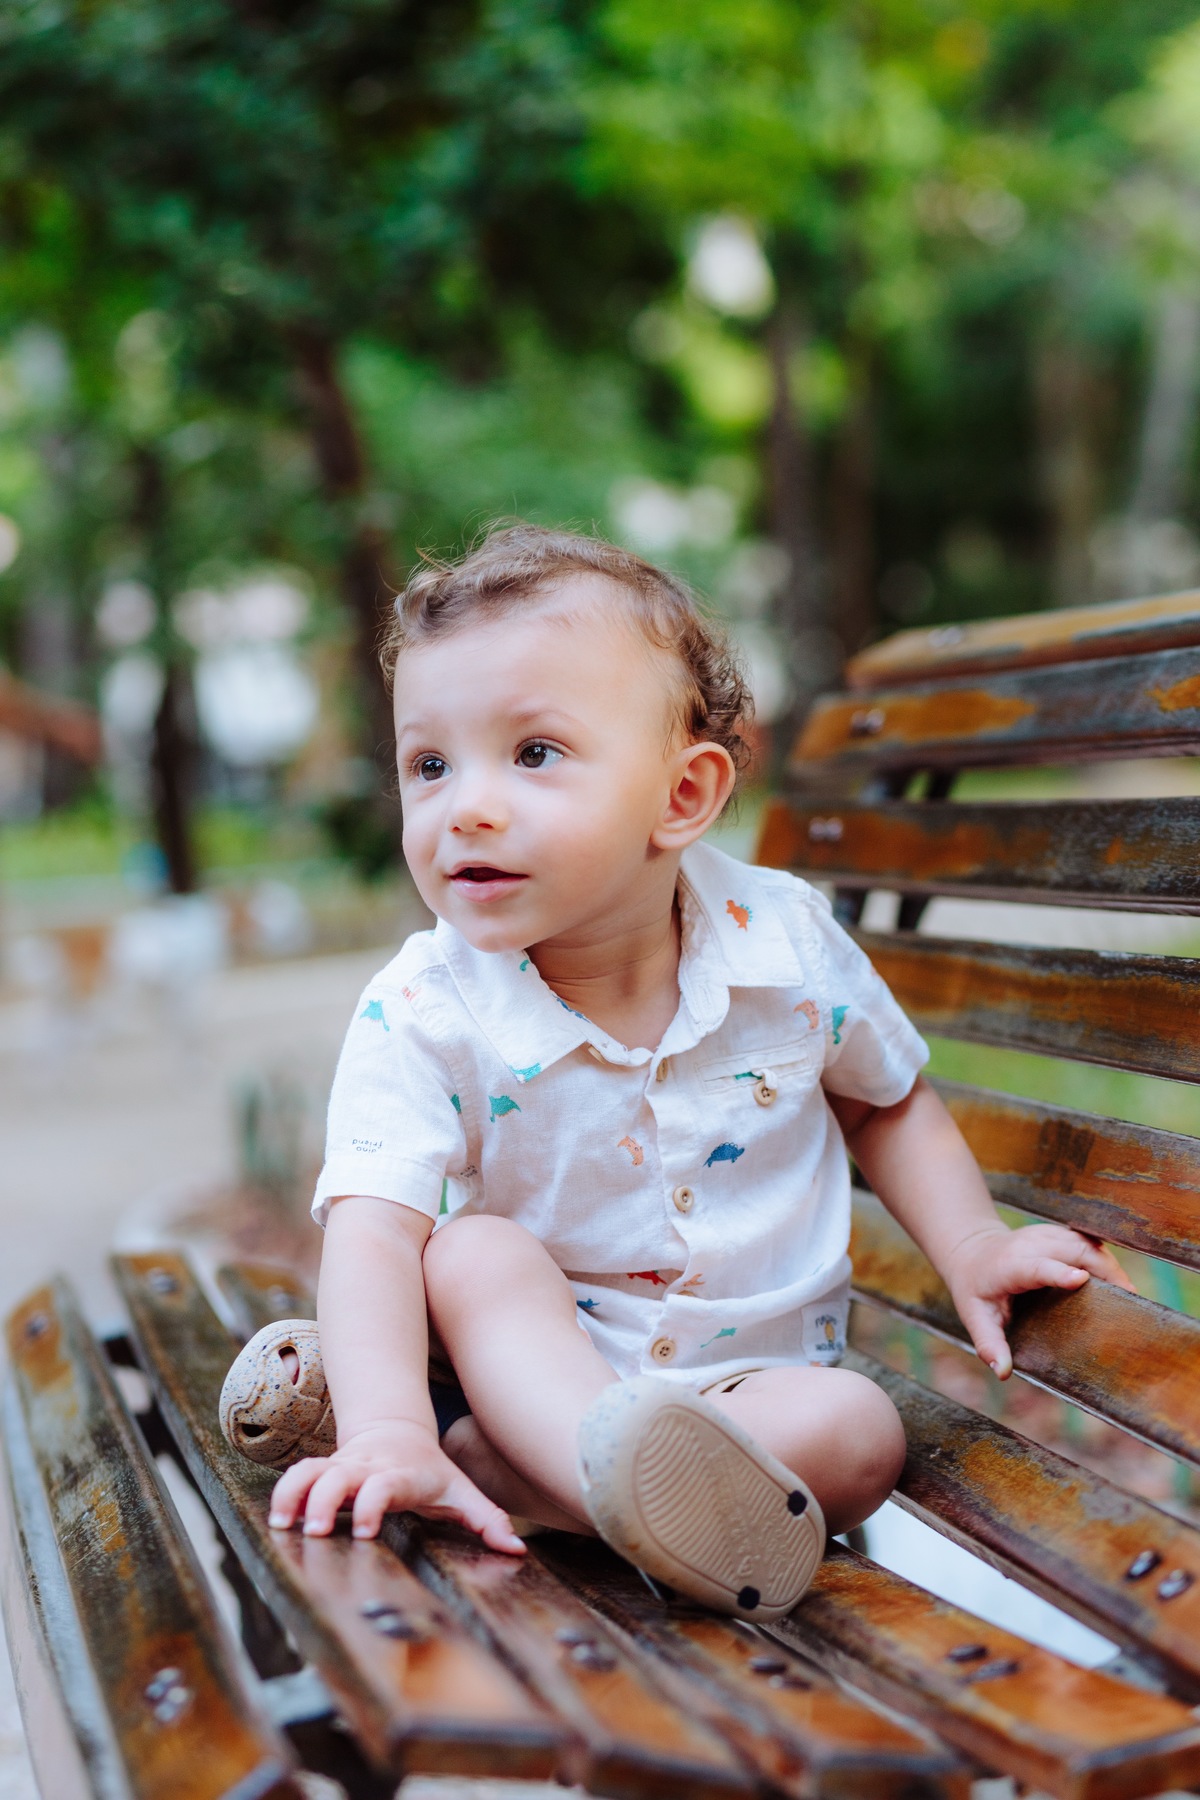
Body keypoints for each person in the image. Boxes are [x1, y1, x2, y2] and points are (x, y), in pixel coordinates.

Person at [233, 524, 1134, 1620]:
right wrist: (387, 1431)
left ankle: (526, 1481)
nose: (465, 804)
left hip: (752, 1391)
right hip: (533, 1367)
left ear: (681, 796)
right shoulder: (424, 1007)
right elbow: (374, 1228)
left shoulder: (785, 944)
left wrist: (974, 1245)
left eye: (533, 753)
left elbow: (885, 1102)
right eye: (430, 764)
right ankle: (488, 1445)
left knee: (860, 1435)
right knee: (472, 1252)